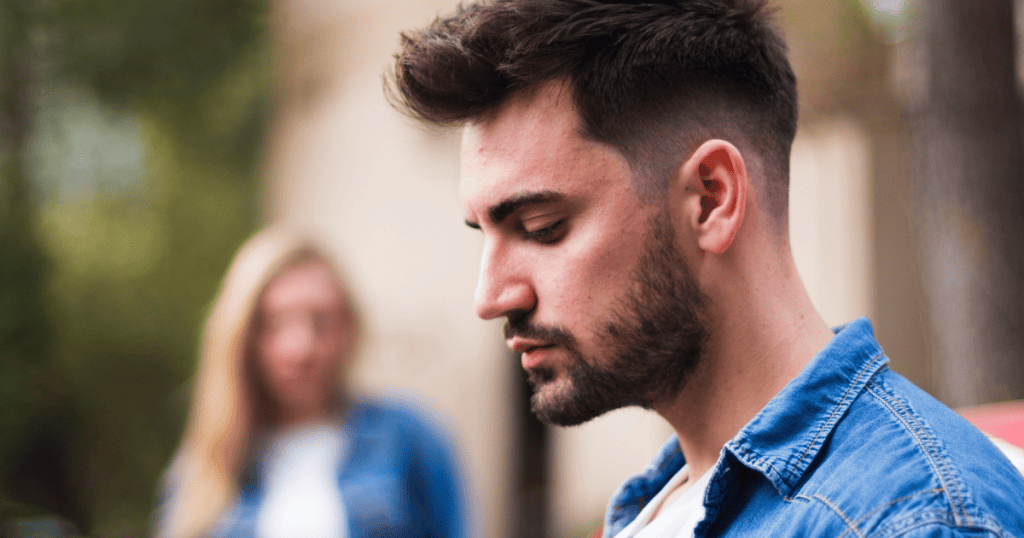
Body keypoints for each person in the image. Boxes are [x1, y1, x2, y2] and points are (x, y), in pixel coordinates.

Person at [388, 1, 1024, 537]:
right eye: (485, 235)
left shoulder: (918, 520)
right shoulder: (662, 505)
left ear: (712, 198)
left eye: (540, 229)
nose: (492, 296)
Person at [154, 225, 466, 538]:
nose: (300, 347)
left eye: (321, 321)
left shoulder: (408, 439)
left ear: (349, 329)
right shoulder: (204, 470)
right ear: (243, 337)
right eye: (274, 323)